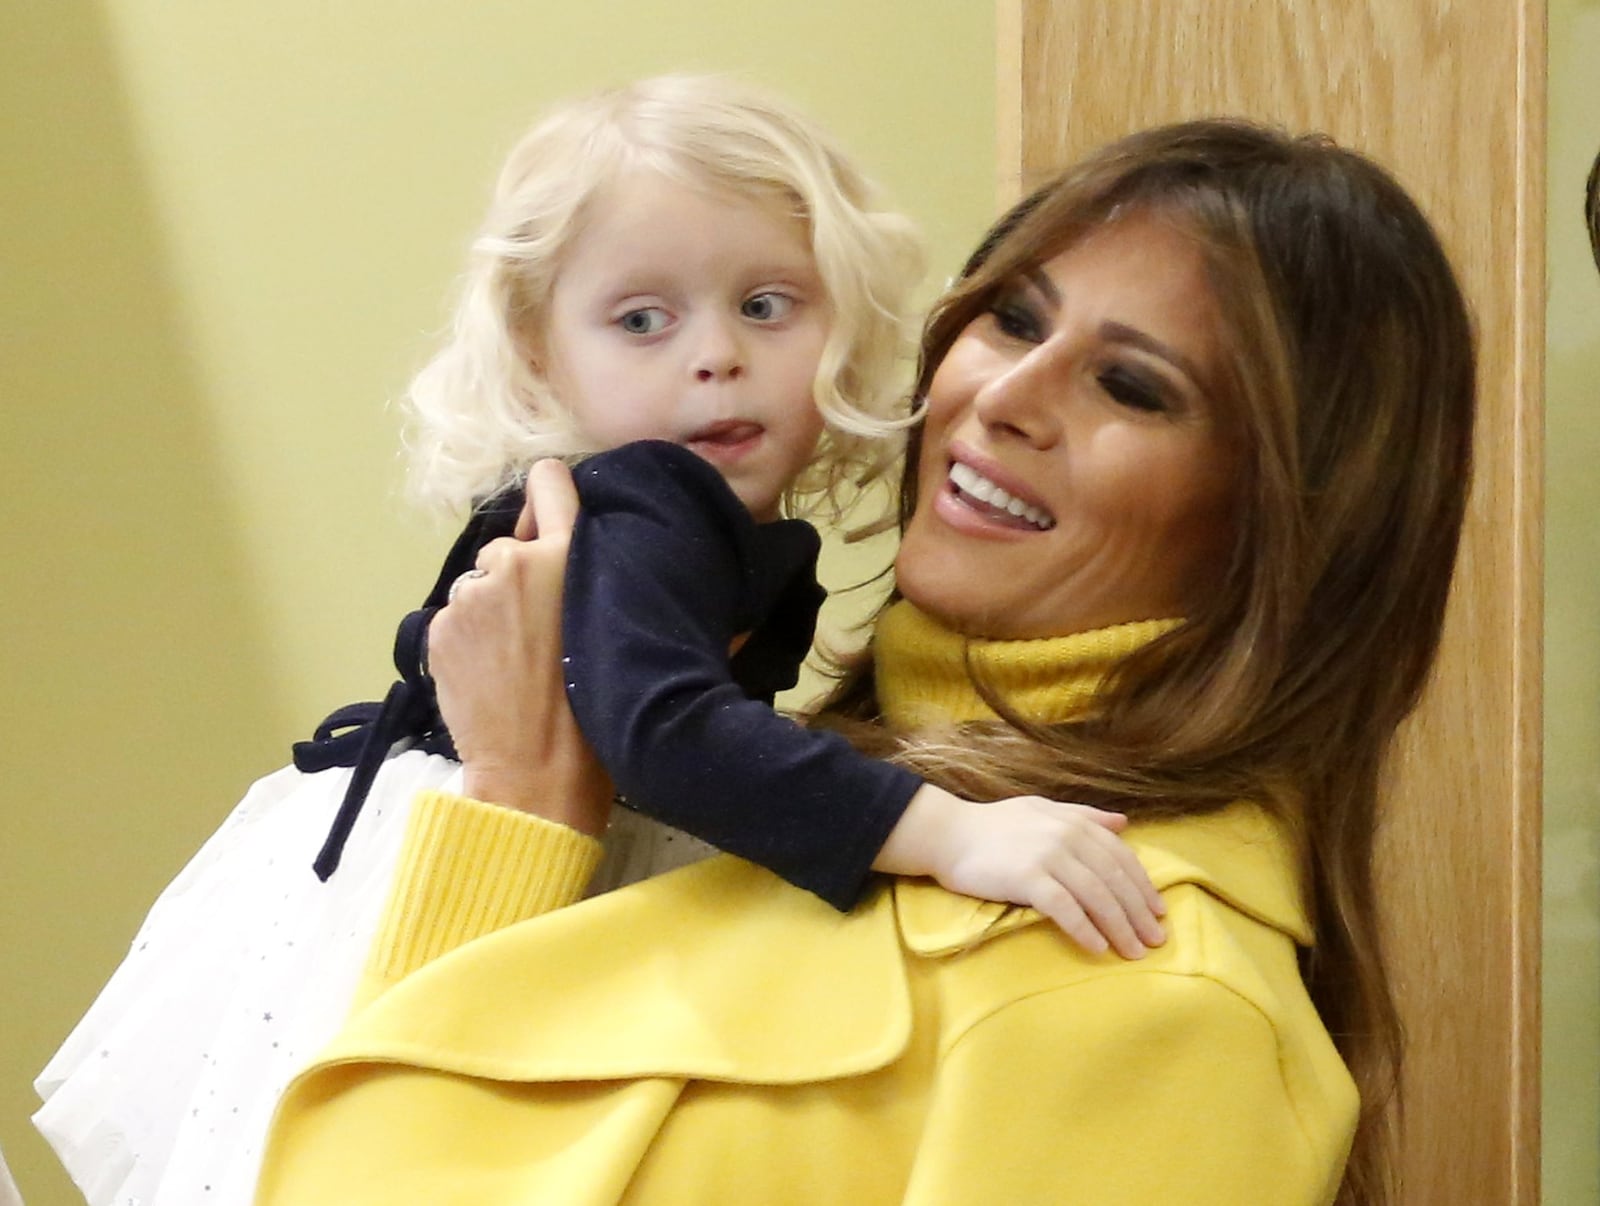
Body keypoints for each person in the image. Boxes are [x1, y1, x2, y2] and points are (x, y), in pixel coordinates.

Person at [254, 118, 1476, 1206]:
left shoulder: (1149, 986)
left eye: (1130, 386)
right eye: (1012, 317)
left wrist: (526, 805)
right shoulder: (812, 790)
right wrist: (527, 808)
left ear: (1283, 519)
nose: (1005, 396)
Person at [35, 76, 1161, 1206]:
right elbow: (666, 731)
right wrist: (950, 835)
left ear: (845, 312)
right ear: (540, 355)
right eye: (641, 320)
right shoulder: (651, 501)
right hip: (464, 856)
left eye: (767, 305)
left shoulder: (718, 517)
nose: (715, 355)